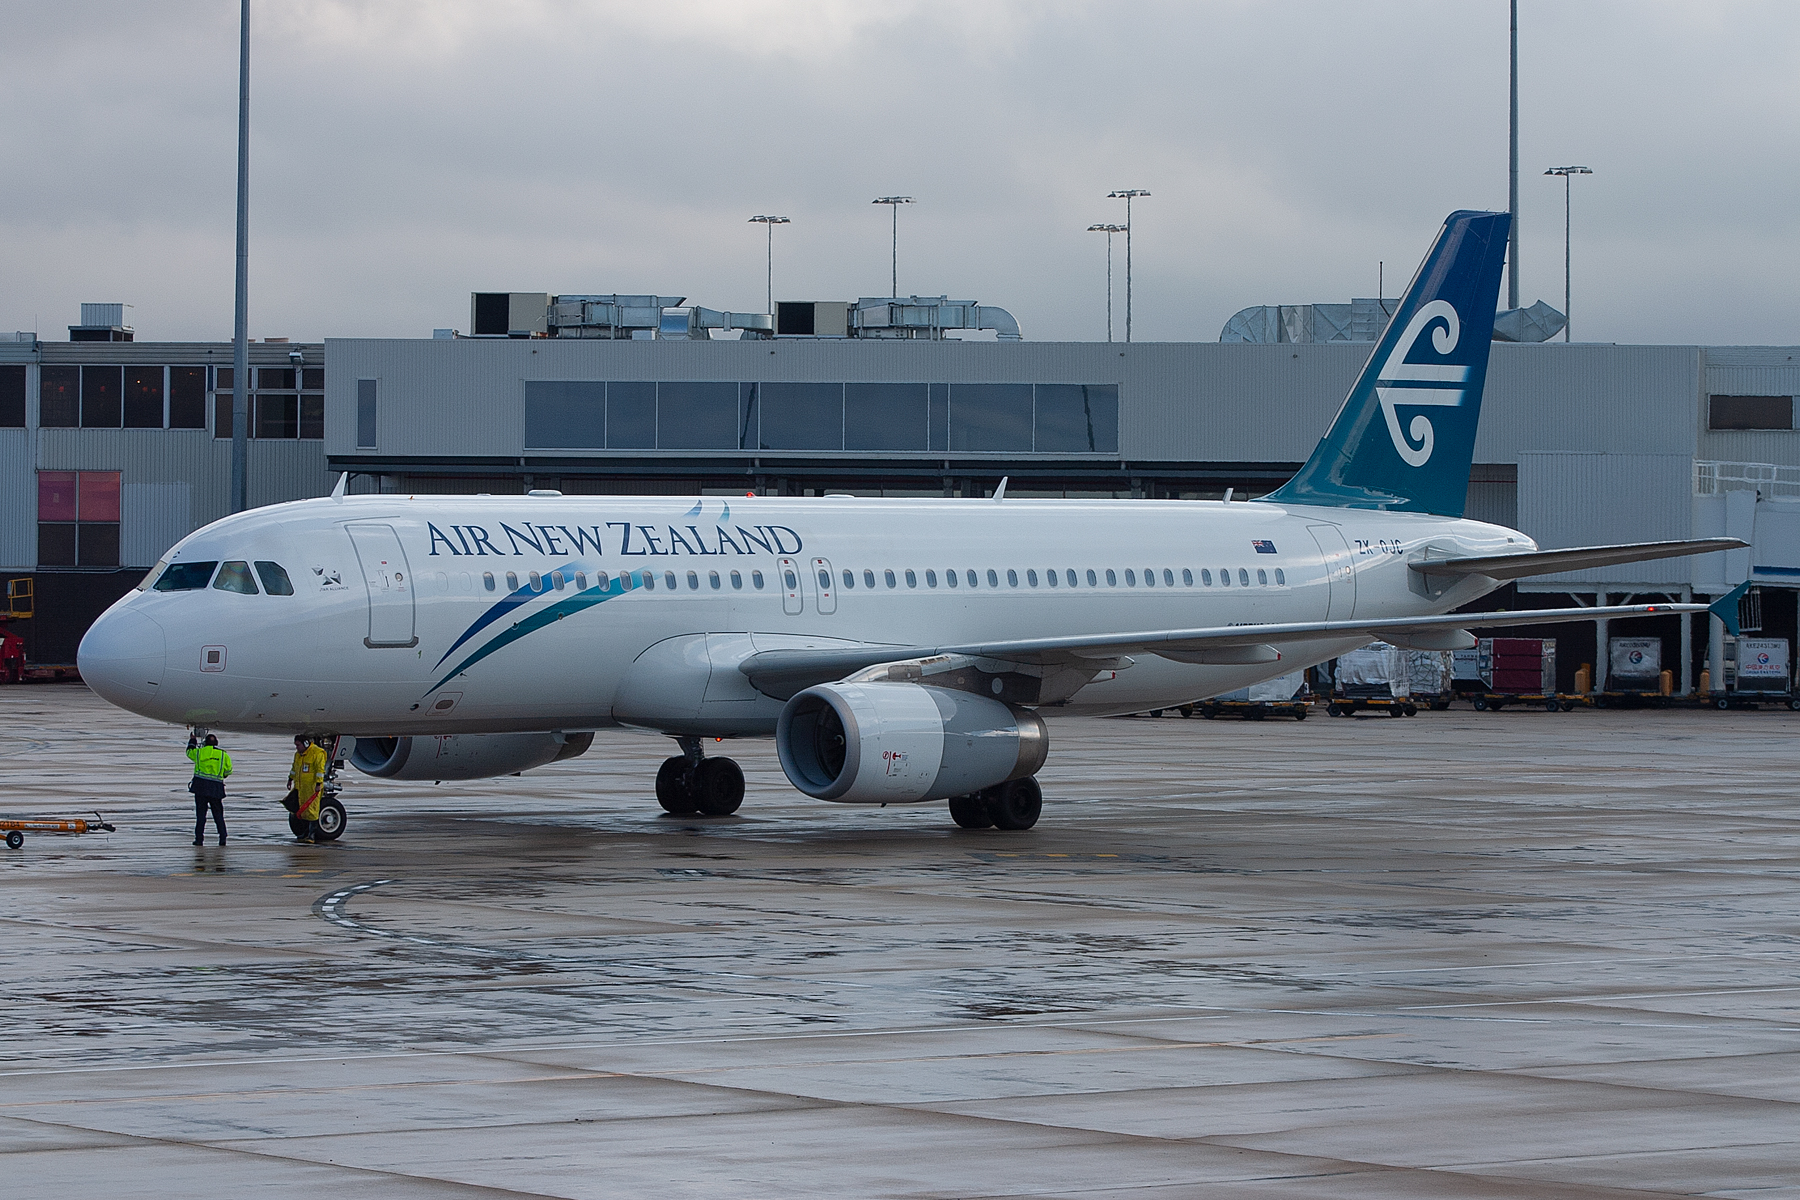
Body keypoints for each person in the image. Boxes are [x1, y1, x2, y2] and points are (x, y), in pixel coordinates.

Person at [186, 732, 231, 846]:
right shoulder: (223, 755)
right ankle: (222, 838)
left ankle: (199, 839)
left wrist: (192, 741)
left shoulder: (200, 753)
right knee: (218, 815)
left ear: (205, 743)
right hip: (216, 788)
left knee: (201, 815)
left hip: (201, 787)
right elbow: (228, 770)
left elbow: (189, 752)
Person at [288, 734, 329, 844]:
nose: (297, 747)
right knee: (303, 811)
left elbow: (320, 770)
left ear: (306, 744)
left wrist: (318, 784)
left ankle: (311, 835)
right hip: (301, 787)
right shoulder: (298, 755)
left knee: (312, 811)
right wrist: (290, 779)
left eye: (298, 745)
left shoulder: (317, 753)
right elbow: (294, 768)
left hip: (312, 788)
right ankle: (305, 833)